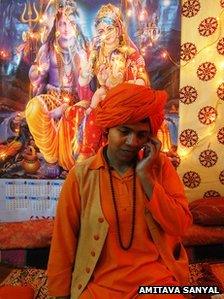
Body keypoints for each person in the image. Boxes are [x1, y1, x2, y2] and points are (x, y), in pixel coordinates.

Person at [47, 83, 192, 299]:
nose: (133, 142)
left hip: (156, 283)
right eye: (124, 131)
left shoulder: (160, 167)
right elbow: (63, 238)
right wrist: (60, 294)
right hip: (99, 286)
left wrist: (146, 177)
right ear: (107, 129)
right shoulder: (82, 175)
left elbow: (180, 224)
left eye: (141, 135)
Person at [74, 3, 150, 162]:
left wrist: (128, 85)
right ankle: (87, 153)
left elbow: (143, 79)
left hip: (125, 98)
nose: (106, 34)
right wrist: (87, 69)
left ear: (119, 28)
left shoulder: (129, 52)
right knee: (94, 114)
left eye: (110, 29)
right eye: (101, 31)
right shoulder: (96, 53)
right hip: (103, 97)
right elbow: (83, 81)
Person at [25, 3, 92, 171]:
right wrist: (37, 72)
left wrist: (85, 71)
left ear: (76, 25)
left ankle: (65, 157)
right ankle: (51, 158)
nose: (66, 27)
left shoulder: (83, 50)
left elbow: (87, 86)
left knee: (79, 126)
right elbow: (35, 77)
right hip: (52, 96)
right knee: (33, 109)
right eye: (62, 23)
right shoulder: (47, 48)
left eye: (70, 23)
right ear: (56, 25)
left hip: (75, 103)